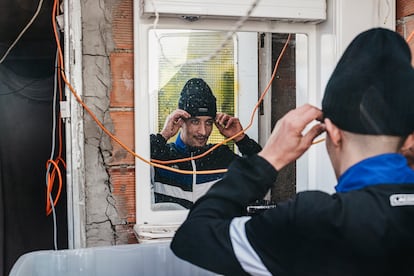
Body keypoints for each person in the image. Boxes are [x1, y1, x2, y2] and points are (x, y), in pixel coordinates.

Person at [170, 28, 414, 275]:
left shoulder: (313, 220)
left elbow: (193, 237)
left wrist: (270, 158)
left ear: (333, 132)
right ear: (408, 140)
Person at [150, 78, 262, 209]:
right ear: (180, 121)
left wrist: (241, 139)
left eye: (208, 122)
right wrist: (163, 135)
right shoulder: (162, 156)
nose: (203, 132)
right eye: (195, 122)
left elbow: (263, 174)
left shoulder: (221, 156)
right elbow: (134, 166)